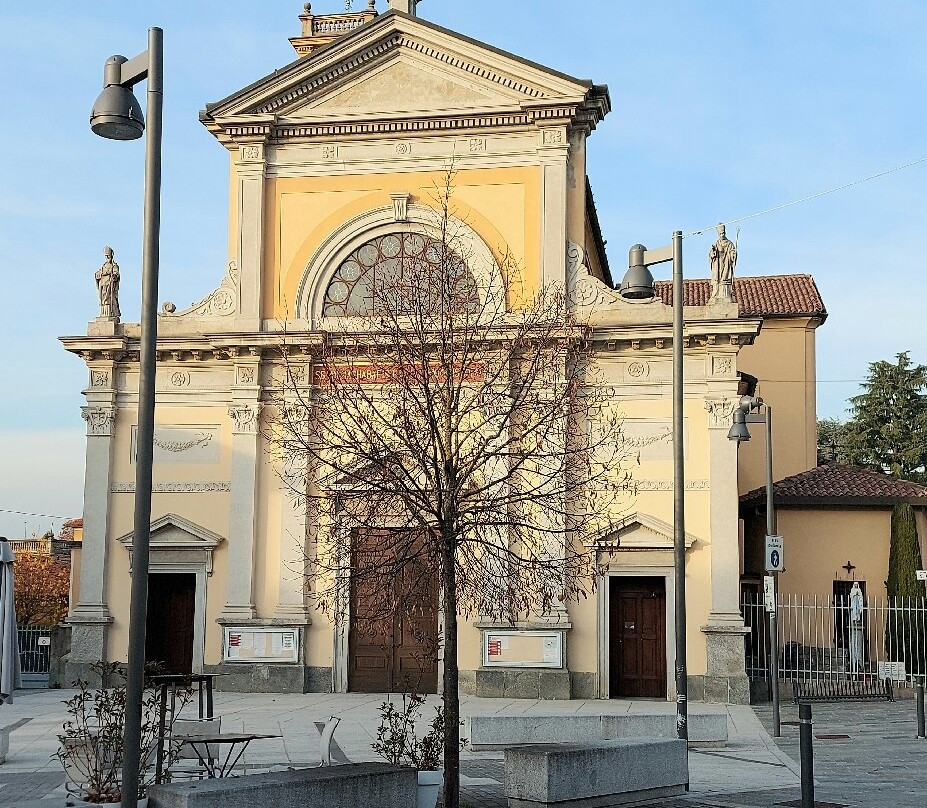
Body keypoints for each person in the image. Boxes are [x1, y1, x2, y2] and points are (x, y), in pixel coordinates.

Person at [708, 223, 737, 302]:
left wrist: (733, 254)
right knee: (717, 279)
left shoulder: (729, 244)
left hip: (726, 264)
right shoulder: (716, 244)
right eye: (720, 233)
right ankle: (716, 295)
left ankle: (725, 295)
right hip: (718, 264)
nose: (722, 235)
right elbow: (711, 254)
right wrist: (713, 252)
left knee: (724, 278)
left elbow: (732, 253)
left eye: (723, 233)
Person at [96, 246, 121, 319]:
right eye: (106, 256)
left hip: (110, 285)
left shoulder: (114, 265)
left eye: (108, 255)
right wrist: (98, 274)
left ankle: (111, 313)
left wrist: (114, 276)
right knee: (103, 299)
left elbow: (116, 274)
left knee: (109, 300)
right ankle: (103, 313)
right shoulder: (104, 266)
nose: (107, 257)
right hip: (103, 284)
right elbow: (99, 272)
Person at [849, 581, 865, 675]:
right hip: (853, 605)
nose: (855, 586)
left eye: (856, 585)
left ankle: (859, 666)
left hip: (857, 605)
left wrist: (858, 595)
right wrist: (854, 595)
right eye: (854, 585)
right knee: (854, 611)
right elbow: (851, 597)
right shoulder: (853, 590)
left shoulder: (859, 590)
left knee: (857, 611)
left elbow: (861, 599)